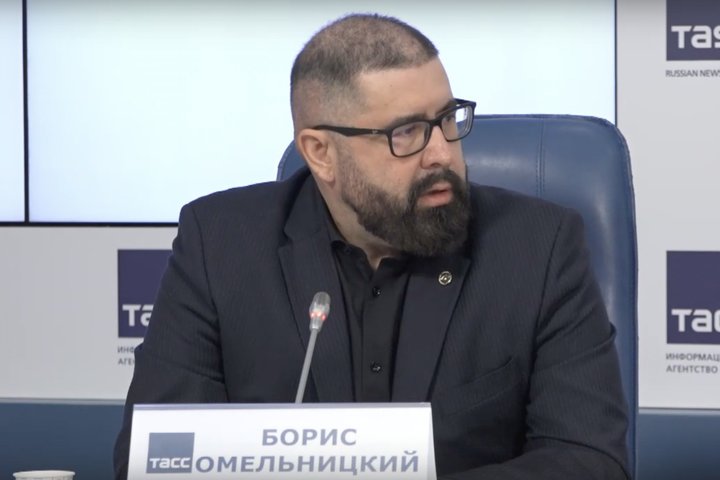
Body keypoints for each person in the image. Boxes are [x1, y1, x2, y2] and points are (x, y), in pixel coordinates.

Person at [114, 13, 630, 479]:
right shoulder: (220, 244)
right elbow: (157, 457)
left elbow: (590, 459)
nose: (441, 153)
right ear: (321, 153)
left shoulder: (537, 248)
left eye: (448, 119)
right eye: (406, 132)